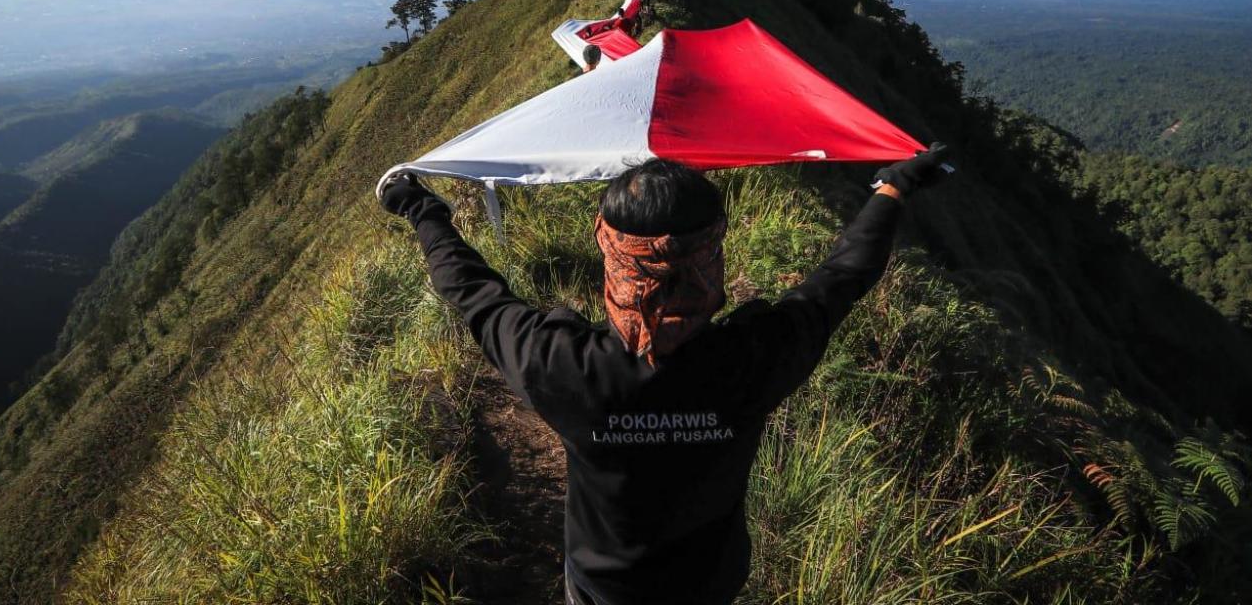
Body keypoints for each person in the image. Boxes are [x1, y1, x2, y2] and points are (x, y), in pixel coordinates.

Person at [380, 144, 950, 604]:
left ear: (614, 258)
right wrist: (892, 189)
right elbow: (843, 276)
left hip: (605, 588)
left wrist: (420, 208)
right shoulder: (756, 358)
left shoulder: (558, 364)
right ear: (711, 259)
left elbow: (473, 292)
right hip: (710, 584)